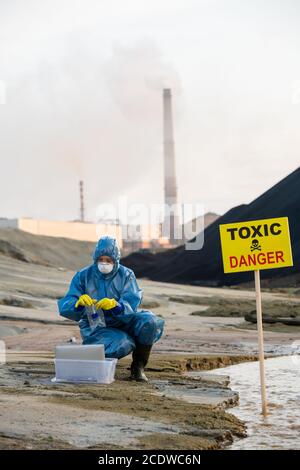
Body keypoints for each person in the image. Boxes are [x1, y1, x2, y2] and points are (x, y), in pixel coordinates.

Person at [57, 236, 164, 382]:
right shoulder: (83, 276)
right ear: (95, 259)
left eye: (109, 260)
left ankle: (138, 367)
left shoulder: (126, 275)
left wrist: (117, 306)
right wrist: (78, 303)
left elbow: (132, 301)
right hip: (98, 325)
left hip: (124, 320)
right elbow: (67, 303)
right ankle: (93, 358)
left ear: (116, 260)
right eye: (101, 259)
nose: (104, 263)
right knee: (123, 343)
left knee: (149, 322)